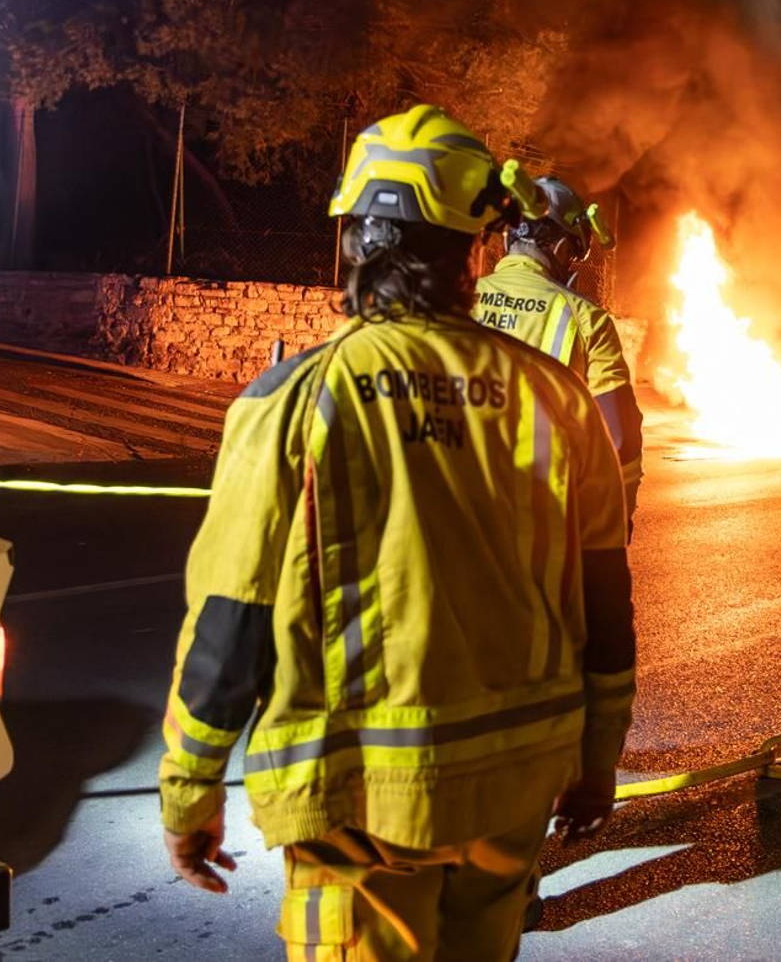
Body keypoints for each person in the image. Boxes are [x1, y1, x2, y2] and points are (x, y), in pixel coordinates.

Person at [158, 104, 637, 960]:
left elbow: (232, 615)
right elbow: (606, 603)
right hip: (515, 791)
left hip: (362, 812)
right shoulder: (558, 403)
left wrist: (192, 787)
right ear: (473, 247)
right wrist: (598, 758)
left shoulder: (292, 399)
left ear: (356, 241)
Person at [473, 177, 643, 529]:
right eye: (577, 254)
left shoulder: (455, 299)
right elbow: (619, 440)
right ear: (564, 248)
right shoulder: (587, 320)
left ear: (508, 236)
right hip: (540, 527)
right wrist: (614, 521)